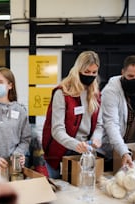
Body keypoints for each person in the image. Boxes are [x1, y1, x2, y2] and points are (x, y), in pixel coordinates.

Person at [44, 51, 104, 179]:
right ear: (78, 70)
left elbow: (99, 124)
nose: (91, 76)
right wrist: (75, 145)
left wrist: (96, 138)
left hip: (84, 150)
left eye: (94, 72)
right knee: (60, 191)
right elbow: (57, 130)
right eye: (87, 72)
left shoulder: (95, 94)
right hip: (61, 151)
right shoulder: (63, 93)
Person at [101, 55, 135, 167]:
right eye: (130, 76)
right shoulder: (110, 91)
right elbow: (111, 124)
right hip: (109, 153)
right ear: (122, 72)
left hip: (132, 150)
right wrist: (123, 152)